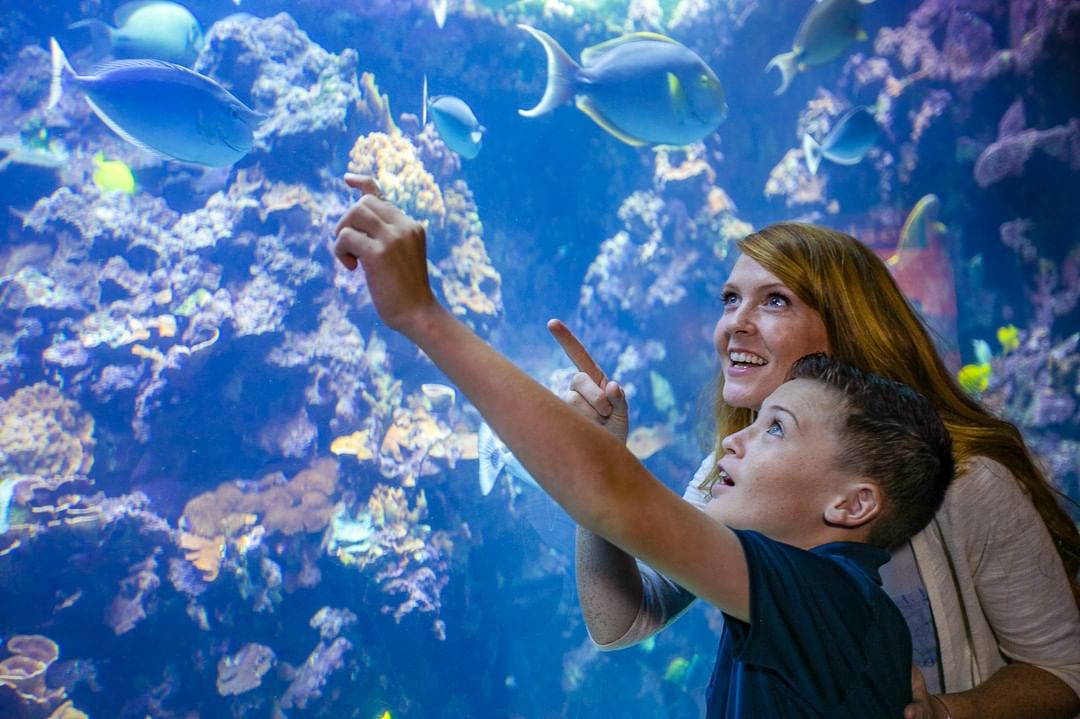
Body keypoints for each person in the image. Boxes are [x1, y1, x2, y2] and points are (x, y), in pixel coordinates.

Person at [333, 174, 955, 716]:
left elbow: (610, 497)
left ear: (853, 504)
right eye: (731, 298)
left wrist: (422, 314)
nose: (733, 443)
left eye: (774, 428)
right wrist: (605, 455)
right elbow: (620, 597)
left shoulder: (826, 599)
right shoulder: (821, 589)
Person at [554, 222, 1080, 719]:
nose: (735, 323)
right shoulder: (735, 471)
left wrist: (946, 711)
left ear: (846, 325)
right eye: (731, 298)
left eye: (775, 300)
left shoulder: (968, 484)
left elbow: (1065, 671)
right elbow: (620, 620)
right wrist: (594, 458)